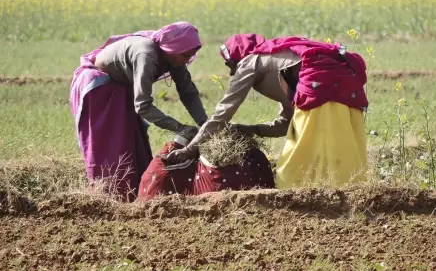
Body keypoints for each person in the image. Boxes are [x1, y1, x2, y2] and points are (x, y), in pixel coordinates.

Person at [166, 34, 368, 188]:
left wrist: (189, 149)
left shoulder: (250, 61)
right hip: (348, 91)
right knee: (342, 158)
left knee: (292, 171)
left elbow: (222, 114)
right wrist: (248, 129)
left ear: (237, 57)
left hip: (317, 92)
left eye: (229, 64)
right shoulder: (283, 61)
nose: (230, 72)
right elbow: (286, 124)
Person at [69, 21, 208, 200]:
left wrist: (205, 125)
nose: (188, 60)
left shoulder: (176, 58)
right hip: (100, 89)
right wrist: (179, 128)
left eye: (191, 55)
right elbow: (142, 105)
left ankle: (134, 194)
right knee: (111, 147)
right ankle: (108, 198)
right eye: (185, 55)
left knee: (133, 143)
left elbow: (188, 93)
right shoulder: (146, 54)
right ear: (170, 49)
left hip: (120, 87)